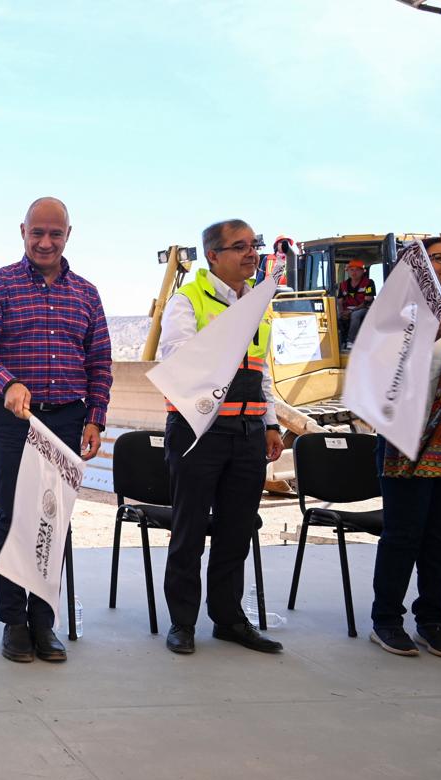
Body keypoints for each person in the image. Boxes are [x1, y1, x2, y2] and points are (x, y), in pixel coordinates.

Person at [0, 197, 111, 663]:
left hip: (67, 419)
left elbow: (99, 362)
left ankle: (44, 622)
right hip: (14, 420)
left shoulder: (86, 293)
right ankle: (14, 623)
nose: (46, 242)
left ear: (68, 235)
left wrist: (95, 417)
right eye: (37, 233)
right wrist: (7, 382)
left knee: (54, 520)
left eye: (55, 233)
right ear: (22, 231)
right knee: (12, 518)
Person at [157, 219, 284, 655]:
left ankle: (229, 619)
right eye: (240, 246)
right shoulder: (188, 299)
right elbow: (177, 360)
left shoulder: (258, 304)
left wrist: (271, 424)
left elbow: (261, 371)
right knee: (189, 531)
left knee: (236, 531)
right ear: (213, 255)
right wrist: (231, 327)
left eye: (254, 245)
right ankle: (182, 622)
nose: (251, 254)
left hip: (248, 434)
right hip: (198, 434)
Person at [369, 238, 441, 658]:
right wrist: (434, 331)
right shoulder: (395, 318)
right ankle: (386, 621)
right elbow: (382, 371)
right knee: (404, 534)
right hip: (409, 437)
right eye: (438, 258)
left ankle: (431, 621)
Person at [338, 259, 375, 349]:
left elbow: (367, 301)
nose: (354, 272)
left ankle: (351, 341)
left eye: (357, 270)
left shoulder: (369, 283)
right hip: (347, 310)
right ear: (347, 271)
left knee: (355, 315)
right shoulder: (343, 285)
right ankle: (341, 342)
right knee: (335, 317)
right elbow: (340, 301)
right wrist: (341, 312)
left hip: (364, 309)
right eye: (351, 270)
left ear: (363, 271)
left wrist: (351, 311)